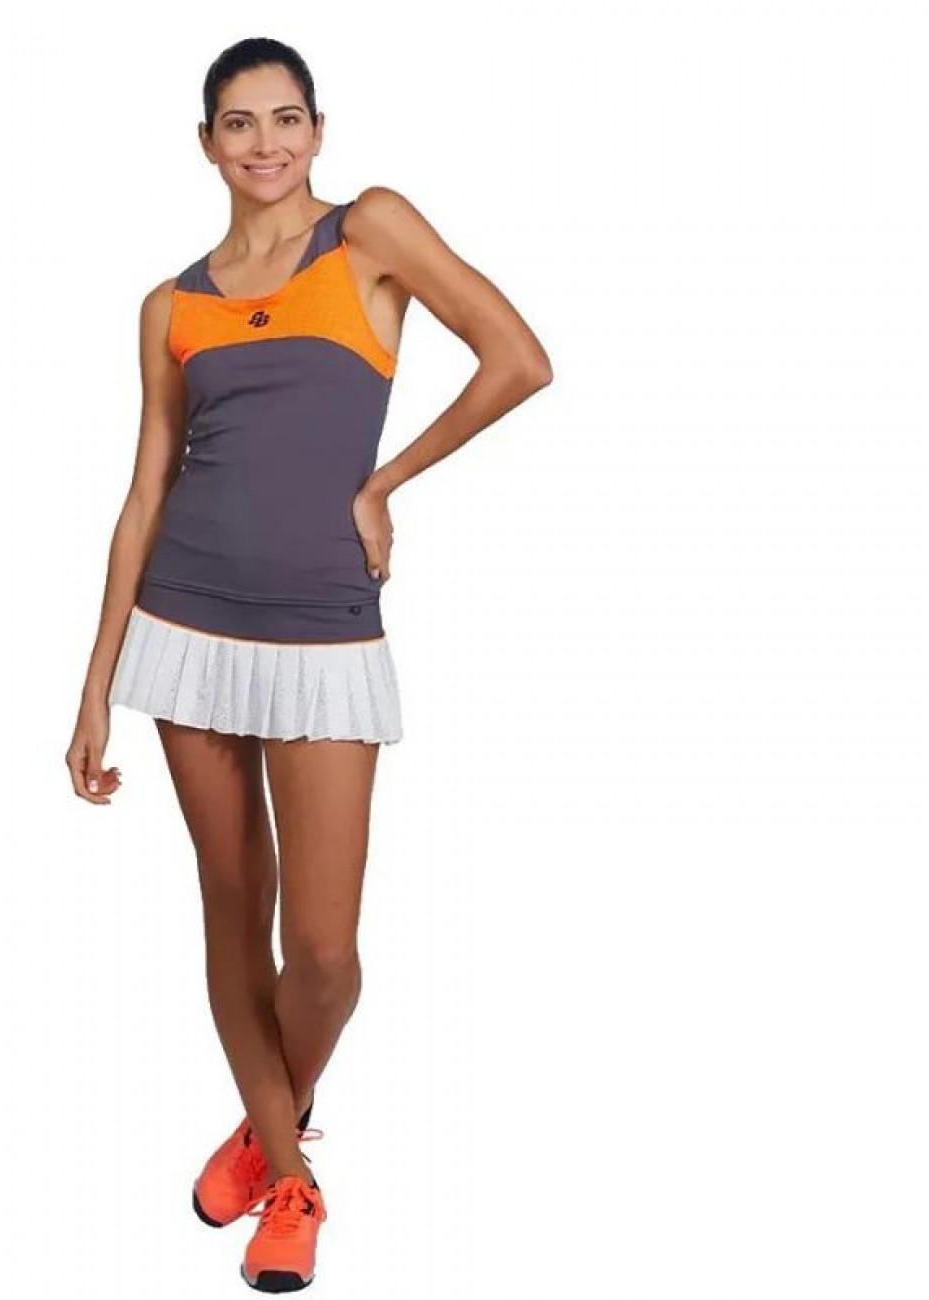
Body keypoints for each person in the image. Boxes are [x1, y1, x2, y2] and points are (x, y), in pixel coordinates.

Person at [67, 36, 552, 1293]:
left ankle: (265, 1118)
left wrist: (383, 482)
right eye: (239, 123)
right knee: (233, 909)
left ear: (318, 131)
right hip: (183, 626)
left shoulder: (369, 232)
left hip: (326, 626)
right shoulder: (170, 306)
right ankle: (290, 1181)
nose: (266, 143)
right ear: (206, 144)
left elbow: (519, 360)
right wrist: (93, 685)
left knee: (323, 950)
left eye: (287, 119)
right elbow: (144, 493)